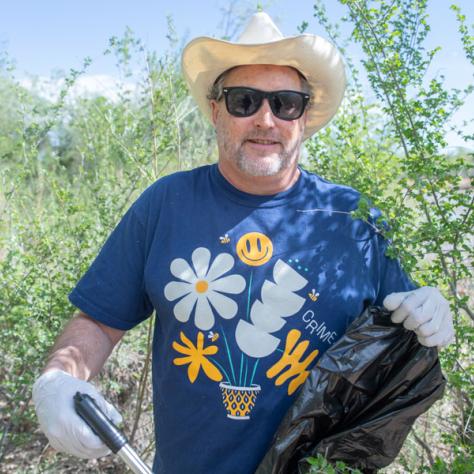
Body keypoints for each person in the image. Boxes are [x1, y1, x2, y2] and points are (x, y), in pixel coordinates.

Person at [32, 12, 454, 474]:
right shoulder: (166, 204)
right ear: (216, 110)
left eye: (286, 103)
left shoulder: (354, 218)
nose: (265, 119)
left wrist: (428, 310)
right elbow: (99, 319)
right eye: (244, 100)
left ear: (304, 117)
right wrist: (59, 378)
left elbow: (402, 335)